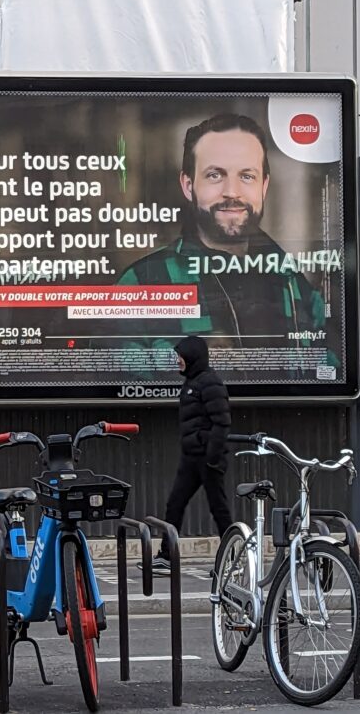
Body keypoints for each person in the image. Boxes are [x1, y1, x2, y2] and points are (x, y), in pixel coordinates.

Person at [116, 113, 328, 354]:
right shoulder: (143, 282)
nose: (232, 192)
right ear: (188, 186)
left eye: (247, 176)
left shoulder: (295, 283)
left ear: (264, 186)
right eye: (215, 175)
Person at [150, 334, 232, 573]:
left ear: (192, 357)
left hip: (207, 458)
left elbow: (222, 423)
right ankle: (166, 555)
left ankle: (233, 557)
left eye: (181, 357)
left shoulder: (210, 383)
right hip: (191, 458)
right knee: (175, 503)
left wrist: (213, 458)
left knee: (219, 509)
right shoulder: (192, 382)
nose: (178, 361)